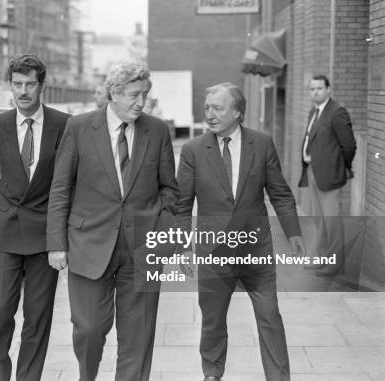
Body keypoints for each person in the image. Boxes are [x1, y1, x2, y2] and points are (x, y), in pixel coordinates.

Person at [46, 61, 179, 380]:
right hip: (89, 245)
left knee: (138, 334)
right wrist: (56, 244)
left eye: (145, 95)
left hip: (143, 250)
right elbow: (61, 187)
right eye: (134, 95)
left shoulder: (157, 130)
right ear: (114, 93)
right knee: (89, 329)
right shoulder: (79, 127)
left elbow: (170, 191)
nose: (141, 102)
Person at [176, 83, 306, 381]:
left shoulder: (261, 144)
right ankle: (212, 374)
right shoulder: (193, 150)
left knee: (270, 316)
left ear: (237, 111)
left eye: (217, 108)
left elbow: (281, 193)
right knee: (212, 320)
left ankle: (279, 377)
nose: (209, 113)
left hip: (255, 251)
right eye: (207, 107)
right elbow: (181, 204)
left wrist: (293, 232)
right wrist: (183, 246)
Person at [0, 54, 71, 381]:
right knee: (0, 313)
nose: (23, 91)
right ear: (10, 86)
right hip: (4, 231)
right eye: (17, 84)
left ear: (41, 85)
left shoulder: (63, 124)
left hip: (45, 234)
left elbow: (71, 180)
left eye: (30, 84)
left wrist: (65, 235)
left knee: (37, 317)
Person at [298, 74, 356, 277]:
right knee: (320, 219)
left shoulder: (337, 112)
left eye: (319, 88)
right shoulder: (314, 112)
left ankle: (335, 262)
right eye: (312, 89)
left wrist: (340, 167)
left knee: (331, 220)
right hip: (313, 172)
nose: (315, 92)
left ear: (328, 89)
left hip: (330, 175)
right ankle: (322, 257)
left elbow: (349, 146)